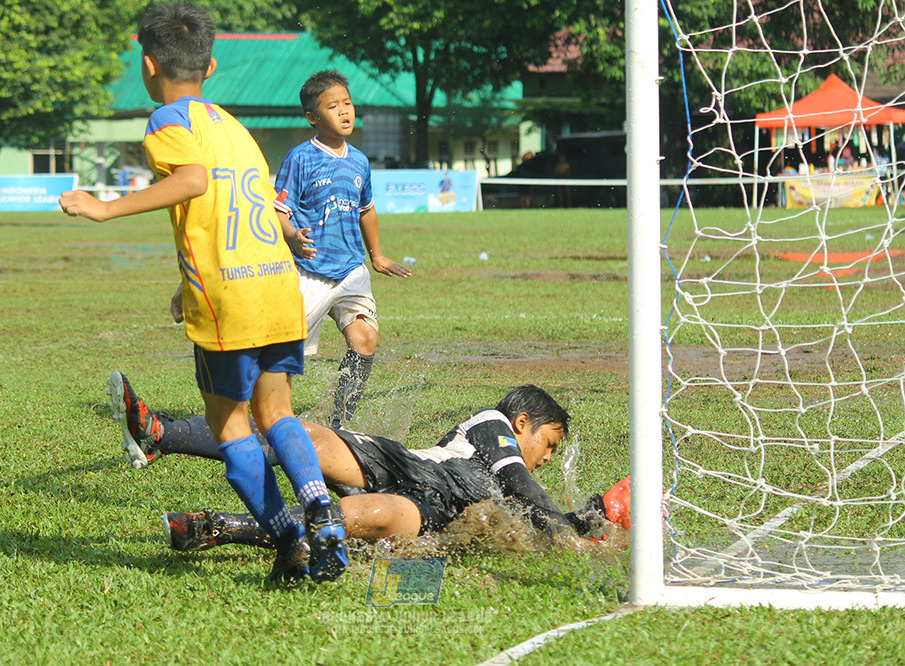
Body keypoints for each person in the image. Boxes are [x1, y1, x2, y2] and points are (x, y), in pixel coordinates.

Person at [58, 1, 346, 585]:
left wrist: (105, 208)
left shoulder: (168, 121)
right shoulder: (232, 125)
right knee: (279, 413)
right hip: (275, 285)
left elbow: (192, 182)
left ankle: (288, 534)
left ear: (147, 65)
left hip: (230, 300)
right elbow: (238, 208)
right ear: (211, 65)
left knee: (230, 426)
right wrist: (184, 282)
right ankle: (318, 502)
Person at [104, 374, 631, 549]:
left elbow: (524, 509)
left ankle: (223, 526)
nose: (546, 458)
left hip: (434, 506)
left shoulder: (500, 467)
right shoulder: (492, 425)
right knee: (298, 434)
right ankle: (161, 434)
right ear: (523, 425)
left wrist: (592, 518)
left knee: (357, 521)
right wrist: (567, 532)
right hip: (413, 468)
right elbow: (519, 485)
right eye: (551, 444)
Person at [271, 70, 412, 430]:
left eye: (347, 104)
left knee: (365, 338)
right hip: (311, 271)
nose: (345, 112)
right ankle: (274, 419)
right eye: (333, 107)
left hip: (352, 268)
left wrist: (377, 255)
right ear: (313, 118)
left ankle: (338, 422)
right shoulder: (299, 158)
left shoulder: (360, 161)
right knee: (285, 355)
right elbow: (278, 211)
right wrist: (291, 237)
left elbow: (367, 210)